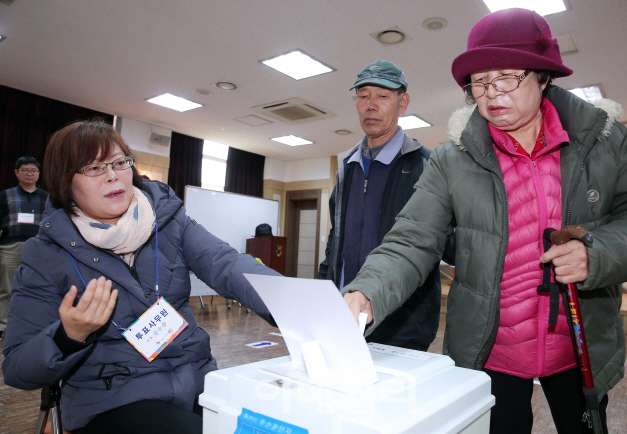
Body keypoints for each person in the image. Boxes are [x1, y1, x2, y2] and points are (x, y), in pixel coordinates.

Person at [342, 8, 627, 434]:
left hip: (579, 344)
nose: (492, 94)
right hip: (490, 351)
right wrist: (368, 291)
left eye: (507, 78)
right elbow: (412, 239)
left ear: (543, 77)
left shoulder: (604, 141)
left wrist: (598, 255)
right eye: (479, 83)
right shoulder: (451, 158)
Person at [1, 120, 279, 433]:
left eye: (119, 162)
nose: (112, 175)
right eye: (93, 167)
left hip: (198, 383)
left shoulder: (169, 220)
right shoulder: (44, 254)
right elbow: (17, 369)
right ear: (65, 182)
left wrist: (293, 304)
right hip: (113, 397)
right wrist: (69, 334)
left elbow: (227, 264)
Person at [318, 60, 442, 351]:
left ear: (403, 103)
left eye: (383, 96)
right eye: (363, 96)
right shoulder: (346, 168)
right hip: (345, 315)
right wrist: (324, 296)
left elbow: (429, 245)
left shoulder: (426, 165)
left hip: (403, 323)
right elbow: (336, 242)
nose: (370, 105)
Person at [0, 156, 48, 340]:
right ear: (16, 172)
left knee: (37, 288)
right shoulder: (5, 195)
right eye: (25, 170)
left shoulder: (47, 197)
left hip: (39, 248)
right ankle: (2, 325)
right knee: (6, 288)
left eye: (34, 171)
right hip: (10, 246)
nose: (30, 174)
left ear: (39, 174)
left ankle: (30, 326)